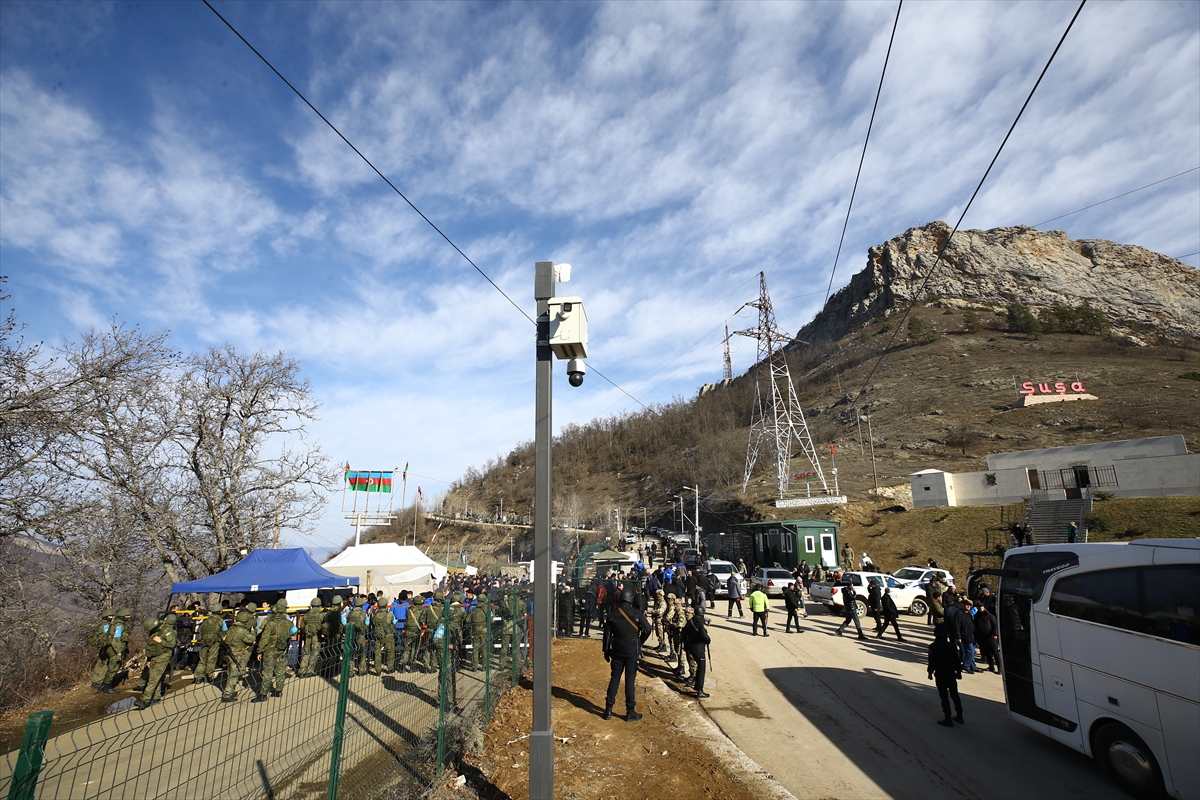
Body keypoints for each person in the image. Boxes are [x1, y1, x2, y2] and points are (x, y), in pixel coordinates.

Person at [601, 588, 652, 722]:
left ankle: (608, 710)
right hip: (632, 651)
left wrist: (606, 651)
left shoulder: (612, 614)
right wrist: (639, 642)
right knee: (630, 680)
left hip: (617, 650)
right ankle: (630, 711)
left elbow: (606, 635)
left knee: (615, 678)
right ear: (630, 600)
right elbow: (647, 629)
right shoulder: (636, 614)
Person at [255, 599, 293, 701]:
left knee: (267, 672)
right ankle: (279, 691)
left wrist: (259, 651)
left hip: (269, 651)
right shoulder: (288, 623)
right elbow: (294, 632)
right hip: (281, 650)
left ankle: (263, 694)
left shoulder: (270, 623)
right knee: (280, 671)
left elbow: (264, 638)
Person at [138, 614, 178, 710]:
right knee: (155, 676)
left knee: (154, 678)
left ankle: (145, 699)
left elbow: (172, 644)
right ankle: (156, 696)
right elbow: (151, 645)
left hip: (163, 656)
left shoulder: (168, 631)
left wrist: (161, 641)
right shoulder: (156, 630)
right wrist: (149, 659)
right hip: (154, 656)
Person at [928, 623, 964, 726]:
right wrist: (959, 672)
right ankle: (959, 715)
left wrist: (930, 672)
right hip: (951, 673)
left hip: (940, 673)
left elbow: (932, 661)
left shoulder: (933, 647)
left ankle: (948, 717)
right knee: (955, 695)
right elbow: (957, 660)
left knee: (944, 696)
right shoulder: (952, 647)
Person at [221, 609, 257, 702]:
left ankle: (229, 692)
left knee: (232, 672)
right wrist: (253, 632)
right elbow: (250, 640)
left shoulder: (232, 628)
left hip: (231, 652)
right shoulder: (241, 630)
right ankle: (227, 694)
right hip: (237, 653)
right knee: (233, 674)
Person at [681, 607, 711, 698]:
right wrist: (708, 640)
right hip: (699, 648)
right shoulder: (700, 622)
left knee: (698, 667)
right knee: (701, 669)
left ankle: (697, 686)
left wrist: (686, 646)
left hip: (691, 646)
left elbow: (683, 634)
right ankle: (700, 690)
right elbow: (703, 635)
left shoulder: (690, 621)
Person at [193, 604, 225, 684]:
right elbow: (225, 630)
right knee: (212, 659)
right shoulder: (221, 620)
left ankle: (198, 677)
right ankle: (209, 676)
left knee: (202, 660)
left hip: (204, 641)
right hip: (215, 641)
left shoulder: (206, 620)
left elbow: (201, 630)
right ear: (220, 611)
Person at [89, 609, 118, 693]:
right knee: (102, 663)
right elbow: (105, 635)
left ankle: (98, 681)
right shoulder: (105, 624)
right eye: (110, 616)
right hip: (105, 645)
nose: (111, 617)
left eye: (112, 616)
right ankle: (97, 682)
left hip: (104, 645)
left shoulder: (104, 623)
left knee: (102, 662)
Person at [298, 598, 323, 677]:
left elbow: (302, 626)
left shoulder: (306, 615)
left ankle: (302, 671)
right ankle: (310, 671)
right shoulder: (321, 615)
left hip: (307, 636)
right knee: (314, 653)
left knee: (306, 653)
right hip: (316, 636)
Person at [372, 596, 396, 674]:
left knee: (377, 653)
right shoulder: (389, 615)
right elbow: (394, 623)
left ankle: (378, 670)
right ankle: (390, 668)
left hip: (378, 636)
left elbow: (373, 624)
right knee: (390, 652)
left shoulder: (375, 616)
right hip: (388, 635)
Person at [973, 600, 999, 672]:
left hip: (991, 636)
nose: (980, 608)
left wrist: (995, 634)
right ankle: (991, 666)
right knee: (987, 653)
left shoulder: (990, 616)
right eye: (979, 607)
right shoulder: (976, 616)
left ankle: (1000, 668)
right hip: (982, 637)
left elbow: (995, 625)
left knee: (995, 652)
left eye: (981, 606)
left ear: (984, 607)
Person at [467, 593, 490, 670]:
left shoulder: (474, 609)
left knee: (475, 648)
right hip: (484, 630)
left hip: (475, 630)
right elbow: (490, 619)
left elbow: (468, 620)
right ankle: (484, 665)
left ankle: (474, 666)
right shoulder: (486, 609)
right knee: (484, 648)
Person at [346, 596, 368, 676]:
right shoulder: (363, 613)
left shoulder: (351, 613)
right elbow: (367, 623)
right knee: (362, 653)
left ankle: (350, 671)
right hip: (360, 635)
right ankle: (361, 670)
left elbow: (348, 621)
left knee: (351, 653)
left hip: (352, 635)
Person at [955, 598, 978, 674]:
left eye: (969, 605)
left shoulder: (968, 613)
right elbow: (957, 626)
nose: (968, 606)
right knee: (970, 651)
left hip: (971, 635)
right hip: (964, 636)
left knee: (972, 652)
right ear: (963, 605)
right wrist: (958, 637)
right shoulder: (959, 614)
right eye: (967, 605)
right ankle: (965, 666)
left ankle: (973, 667)